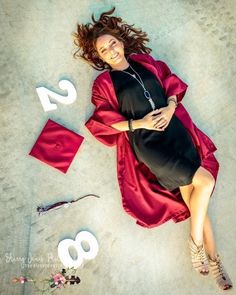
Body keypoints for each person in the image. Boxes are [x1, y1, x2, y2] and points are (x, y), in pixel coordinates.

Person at [72, 7, 233, 291]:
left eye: (112, 43)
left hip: (177, 133)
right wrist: (141, 122)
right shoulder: (104, 84)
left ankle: (215, 261)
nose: (110, 49)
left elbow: (171, 84)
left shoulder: (145, 61)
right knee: (205, 182)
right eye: (103, 49)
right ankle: (195, 243)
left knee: (195, 202)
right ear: (98, 56)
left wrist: (171, 108)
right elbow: (107, 122)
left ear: (121, 42)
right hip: (149, 145)